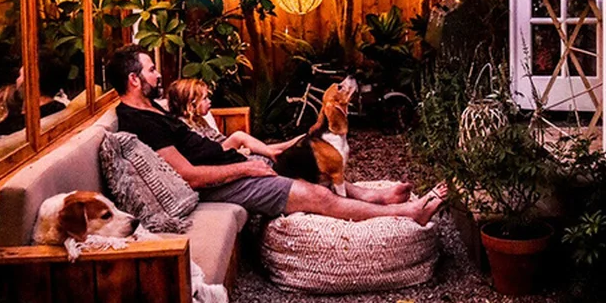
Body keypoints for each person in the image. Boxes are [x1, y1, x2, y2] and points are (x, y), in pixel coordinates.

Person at [107, 45, 446, 224]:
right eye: (151, 70)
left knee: (312, 166)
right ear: (134, 80)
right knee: (318, 195)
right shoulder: (140, 121)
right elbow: (189, 175)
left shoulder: (154, 109)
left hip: (230, 165)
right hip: (221, 183)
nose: (158, 75)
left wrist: (246, 156)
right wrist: (245, 167)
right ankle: (406, 214)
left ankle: (374, 198)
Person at [166, 77, 303, 159]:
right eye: (205, 98)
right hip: (216, 154)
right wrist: (236, 151)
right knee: (238, 136)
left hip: (222, 148)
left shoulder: (200, 121)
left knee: (255, 146)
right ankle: (273, 151)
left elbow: (219, 138)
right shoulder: (185, 127)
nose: (209, 101)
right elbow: (206, 151)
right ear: (191, 104)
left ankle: (284, 146)